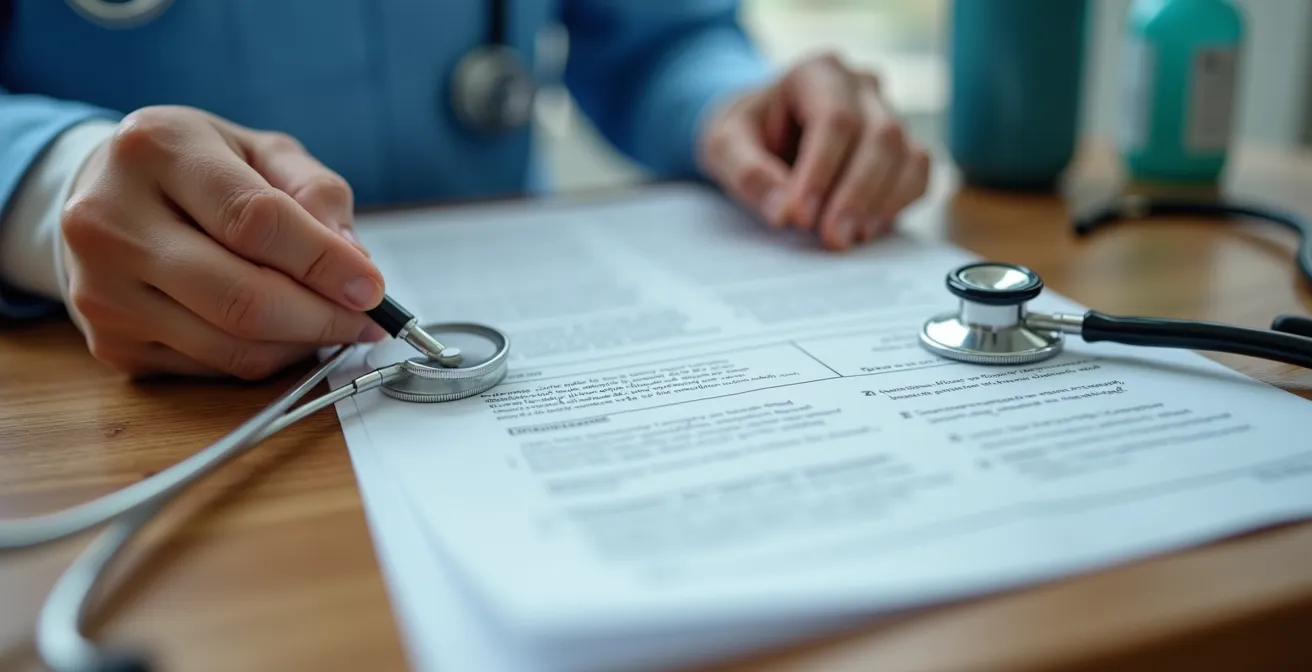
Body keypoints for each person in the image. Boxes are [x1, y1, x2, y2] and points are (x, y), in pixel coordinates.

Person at [0, 0, 931, 381]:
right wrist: (52, 182)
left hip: (536, 277)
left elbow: (654, 35)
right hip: (114, 379)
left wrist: (734, 106)